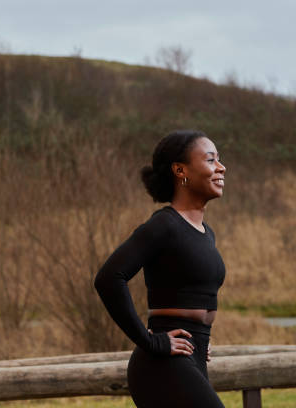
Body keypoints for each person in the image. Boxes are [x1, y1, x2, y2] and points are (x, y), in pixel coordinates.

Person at [94, 130, 227, 407]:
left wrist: (200, 339)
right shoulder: (163, 226)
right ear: (180, 170)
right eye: (211, 160)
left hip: (192, 356)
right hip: (162, 363)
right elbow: (109, 278)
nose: (221, 167)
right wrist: (150, 341)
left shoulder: (206, 233)